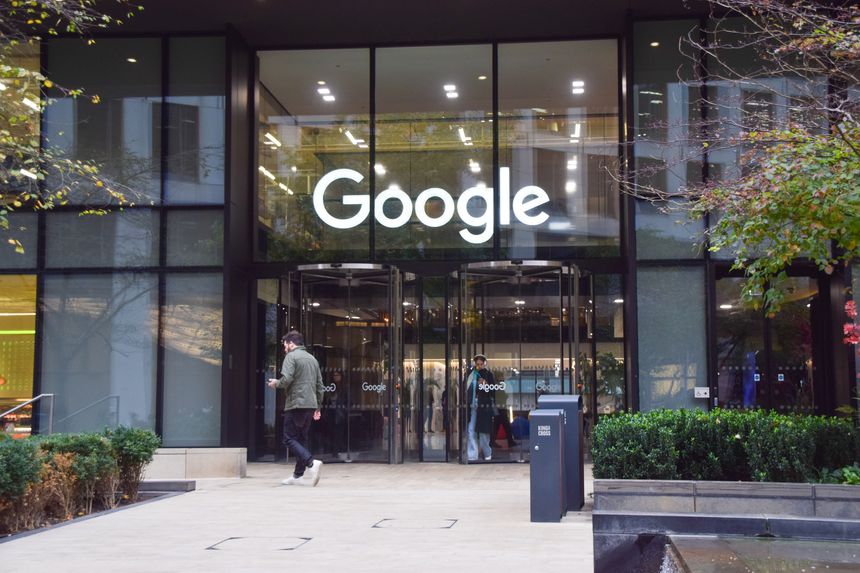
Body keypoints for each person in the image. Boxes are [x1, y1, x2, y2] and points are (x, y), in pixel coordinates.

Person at [268, 331, 325, 486]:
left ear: (291, 343)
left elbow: (286, 379)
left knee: (288, 438)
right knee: (301, 439)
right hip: (310, 404)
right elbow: (320, 386)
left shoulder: (291, 357)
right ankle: (297, 475)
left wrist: (275, 383)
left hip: (296, 404)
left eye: (285, 344)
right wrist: (318, 406)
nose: (284, 348)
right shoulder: (312, 359)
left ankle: (311, 463)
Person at [465, 353, 495, 461]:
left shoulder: (488, 375)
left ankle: (487, 452)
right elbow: (467, 389)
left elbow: (493, 391)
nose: (479, 366)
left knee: (483, 432)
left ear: (484, 364)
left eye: (481, 364)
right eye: (477, 364)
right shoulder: (471, 375)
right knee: (471, 430)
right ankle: (472, 455)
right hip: (473, 405)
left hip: (484, 405)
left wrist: (485, 385)